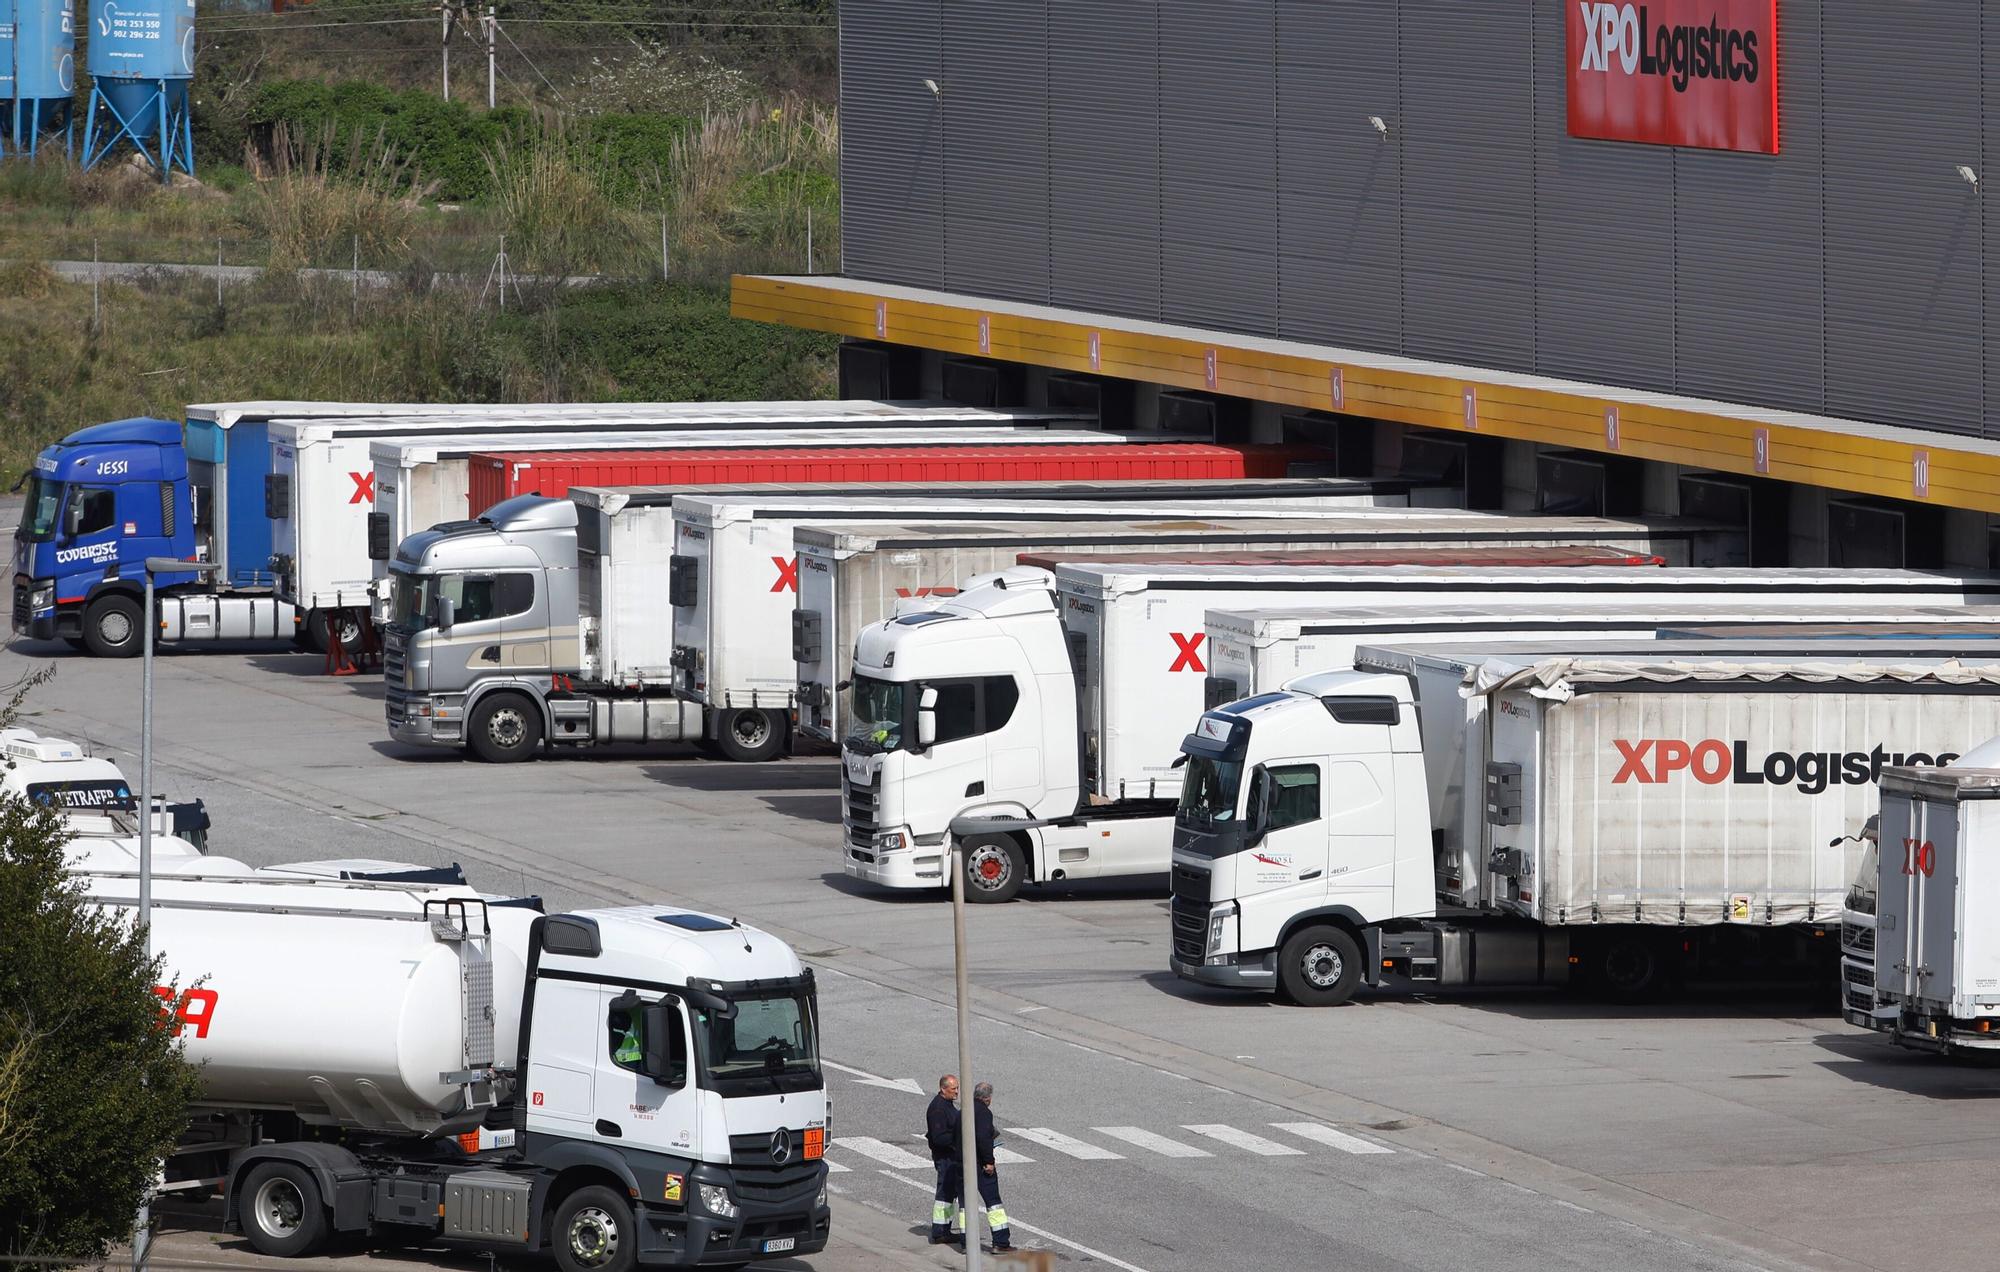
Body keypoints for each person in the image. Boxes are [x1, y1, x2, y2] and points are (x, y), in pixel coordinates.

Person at [959, 1081, 1012, 1252]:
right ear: (988, 1098)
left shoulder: (963, 1110)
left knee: (965, 1204)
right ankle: (1001, 1241)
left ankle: (966, 1242)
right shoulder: (983, 1113)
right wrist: (989, 1162)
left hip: (961, 1164)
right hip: (979, 1165)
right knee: (993, 1203)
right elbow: (983, 1139)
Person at [924, 1074, 961, 1244]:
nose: (957, 1092)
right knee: (945, 1193)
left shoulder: (946, 1104)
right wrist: (957, 1138)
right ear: (943, 1089)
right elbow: (939, 1138)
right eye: (953, 1089)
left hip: (950, 1156)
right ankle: (939, 1231)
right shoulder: (938, 1109)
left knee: (948, 1193)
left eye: (957, 1088)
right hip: (945, 1157)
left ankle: (944, 1228)